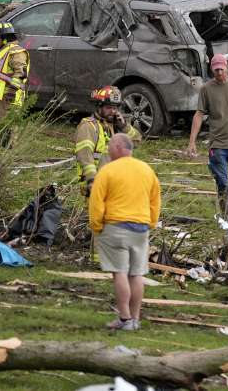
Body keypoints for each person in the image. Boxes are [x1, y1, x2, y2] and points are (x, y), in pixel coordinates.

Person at [88, 133, 160, 332]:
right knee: (136, 274)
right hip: (141, 227)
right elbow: (155, 200)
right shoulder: (146, 170)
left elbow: (96, 201)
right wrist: (151, 222)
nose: (108, 149)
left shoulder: (107, 171)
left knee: (119, 272)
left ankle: (124, 318)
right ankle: (135, 319)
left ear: (119, 147)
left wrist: (96, 226)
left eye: (110, 145)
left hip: (115, 227)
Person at [185, 54, 228, 215]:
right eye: (216, 70)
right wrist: (192, 142)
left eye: (221, 69)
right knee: (222, 182)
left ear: (227, 67)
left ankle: (226, 197)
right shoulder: (206, 89)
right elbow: (199, 114)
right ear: (212, 70)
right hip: (217, 144)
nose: (219, 73)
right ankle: (226, 217)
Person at [74, 86, 142, 192]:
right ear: (99, 107)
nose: (113, 111)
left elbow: (136, 141)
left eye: (115, 108)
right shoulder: (88, 126)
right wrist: (93, 180)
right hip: (97, 186)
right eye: (109, 107)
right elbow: (85, 156)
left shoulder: (115, 125)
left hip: (114, 185)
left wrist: (124, 126)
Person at [0, 21, 30, 133]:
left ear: (5, 38)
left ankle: (7, 149)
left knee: (8, 127)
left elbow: (21, 74)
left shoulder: (16, 52)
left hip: (7, 97)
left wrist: (11, 92)